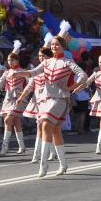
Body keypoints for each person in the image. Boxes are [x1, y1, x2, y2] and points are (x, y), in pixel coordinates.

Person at [24, 27, 87, 177]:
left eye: (57, 44)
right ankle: (63, 164)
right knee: (55, 131)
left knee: (45, 124)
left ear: (63, 46)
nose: (54, 47)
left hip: (60, 99)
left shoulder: (67, 61)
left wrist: (71, 87)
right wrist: (16, 72)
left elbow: (83, 75)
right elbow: (32, 73)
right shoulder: (46, 62)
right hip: (46, 99)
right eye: (52, 45)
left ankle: (43, 164)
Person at [0, 43, 30, 155]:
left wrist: (23, 92)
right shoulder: (7, 72)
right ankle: (22, 146)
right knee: (16, 122)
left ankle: (5, 146)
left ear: (17, 61)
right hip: (8, 98)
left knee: (7, 120)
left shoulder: (22, 71)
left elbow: (31, 84)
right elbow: (0, 83)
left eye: (12, 60)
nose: (10, 62)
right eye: (9, 60)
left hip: (18, 98)